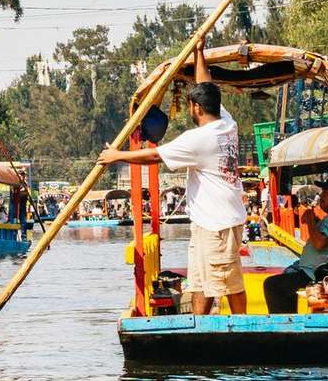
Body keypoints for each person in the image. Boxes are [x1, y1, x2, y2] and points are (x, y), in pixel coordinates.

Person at [99, 81, 248, 316]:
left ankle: (243, 329)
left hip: (220, 223)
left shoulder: (199, 138)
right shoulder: (227, 123)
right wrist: (198, 51)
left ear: (197, 108)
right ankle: (199, 328)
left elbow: (154, 155)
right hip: (205, 223)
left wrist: (117, 156)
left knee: (228, 283)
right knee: (199, 281)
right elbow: (203, 81)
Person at [262, 178, 328, 313]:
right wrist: (315, 221)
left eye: (326, 193)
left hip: (314, 274)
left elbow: (319, 243)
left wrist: (310, 219)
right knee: (287, 274)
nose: (321, 196)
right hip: (311, 269)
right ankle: (289, 325)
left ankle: (284, 330)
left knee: (272, 285)